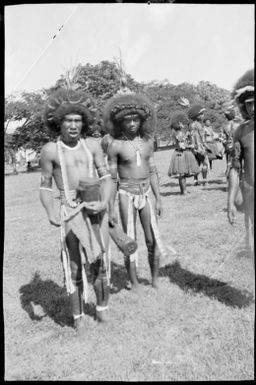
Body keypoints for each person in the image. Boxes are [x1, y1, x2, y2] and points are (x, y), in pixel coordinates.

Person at [39, 86, 113, 334]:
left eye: (78, 120)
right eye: (68, 120)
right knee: (73, 266)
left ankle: (102, 310)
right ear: (58, 123)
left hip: (95, 208)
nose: (73, 125)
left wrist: (103, 202)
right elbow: (46, 186)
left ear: (84, 122)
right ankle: (78, 316)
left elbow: (107, 177)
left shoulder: (92, 145)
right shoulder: (50, 151)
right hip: (70, 211)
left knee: (100, 261)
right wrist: (51, 212)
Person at [103, 87, 166, 292]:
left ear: (142, 120)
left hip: (146, 193)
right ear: (120, 121)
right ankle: (134, 281)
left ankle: (155, 277)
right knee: (130, 238)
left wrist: (159, 198)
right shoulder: (115, 144)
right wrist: (110, 207)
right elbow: (112, 179)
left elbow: (153, 170)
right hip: (125, 194)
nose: (132, 123)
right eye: (127, 120)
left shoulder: (148, 141)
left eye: (135, 119)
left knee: (152, 238)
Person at [227, 69, 254, 266]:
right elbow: (235, 168)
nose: (253, 108)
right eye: (249, 104)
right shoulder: (240, 131)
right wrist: (230, 201)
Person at [168, 112, 200, 194]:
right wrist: (191, 146)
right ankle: (184, 191)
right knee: (182, 174)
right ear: (178, 125)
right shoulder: (179, 134)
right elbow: (181, 146)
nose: (183, 124)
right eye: (181, 123)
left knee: (181, 174)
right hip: (181, 154)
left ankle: (183, 191)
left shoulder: (178, 133)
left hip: (180, 153)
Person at [187, 104, 210, 186]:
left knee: (196, 164)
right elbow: (202, 139)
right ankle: (204, 180)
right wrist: (207, 147)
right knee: (205, 163)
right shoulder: (199, 125)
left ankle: (195, 181)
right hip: (200, 147)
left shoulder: (190, 125)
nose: (203, 116)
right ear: (197, 116)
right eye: (202, 114)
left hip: (193, 148)